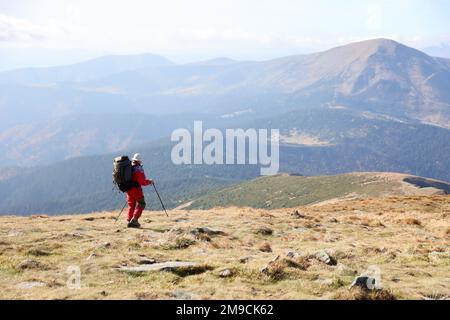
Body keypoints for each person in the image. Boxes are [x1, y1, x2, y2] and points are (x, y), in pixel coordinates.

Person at [126, 153, 153, 228]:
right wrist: (149, 181)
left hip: (128, 189)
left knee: (131, 204)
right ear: (140, 161)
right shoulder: (138, 169)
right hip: (136, 189)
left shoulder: (129, 167)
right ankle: (134, 220)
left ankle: (129, 219)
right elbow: (142, 182)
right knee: (142, 203)